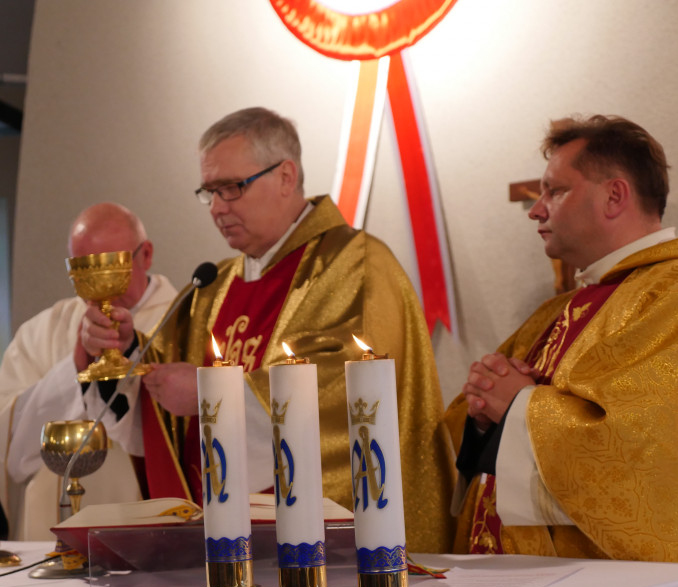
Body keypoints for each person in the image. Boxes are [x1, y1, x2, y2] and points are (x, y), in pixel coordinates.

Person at [85, 107, 455, 553]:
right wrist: (125, 348)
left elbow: (344, 389)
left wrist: (209, 395)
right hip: (226, 545)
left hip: (338, 551)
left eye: (232, 188)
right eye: (209, 192)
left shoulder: (357, 264)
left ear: (285, 176)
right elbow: (164, 392)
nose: (218, 208)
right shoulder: (213, 285)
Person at [446, 115, 678, 587]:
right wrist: (482, 415)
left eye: (554, 191)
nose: (536, 210)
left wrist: (519, 406)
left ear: (615, 196)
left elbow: (652, 462)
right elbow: (480, 447)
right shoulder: (553, 313)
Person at [0, 202, 177, 540]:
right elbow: (7, 440)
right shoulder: (44, 330)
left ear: (146, 255)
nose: (100, 279)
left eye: (114, 263)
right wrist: (75, 367)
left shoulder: (186, 320)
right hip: (52, 539)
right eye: (83, 267)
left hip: (149, 536)